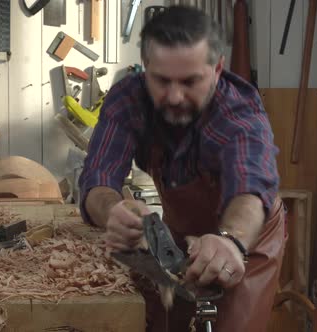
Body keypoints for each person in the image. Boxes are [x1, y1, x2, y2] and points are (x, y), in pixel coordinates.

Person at [78, 5, 286, 332]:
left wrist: (231, 240)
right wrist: (112, 210)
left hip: (247, 237)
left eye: (190, 81)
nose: (175, 97)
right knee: (158, 320)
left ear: (217, 69)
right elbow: (97, 179)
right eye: (162, 81)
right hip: (179, 233)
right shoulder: (127, 99)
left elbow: (250, 188)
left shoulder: (238, 112)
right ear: (145, 68)